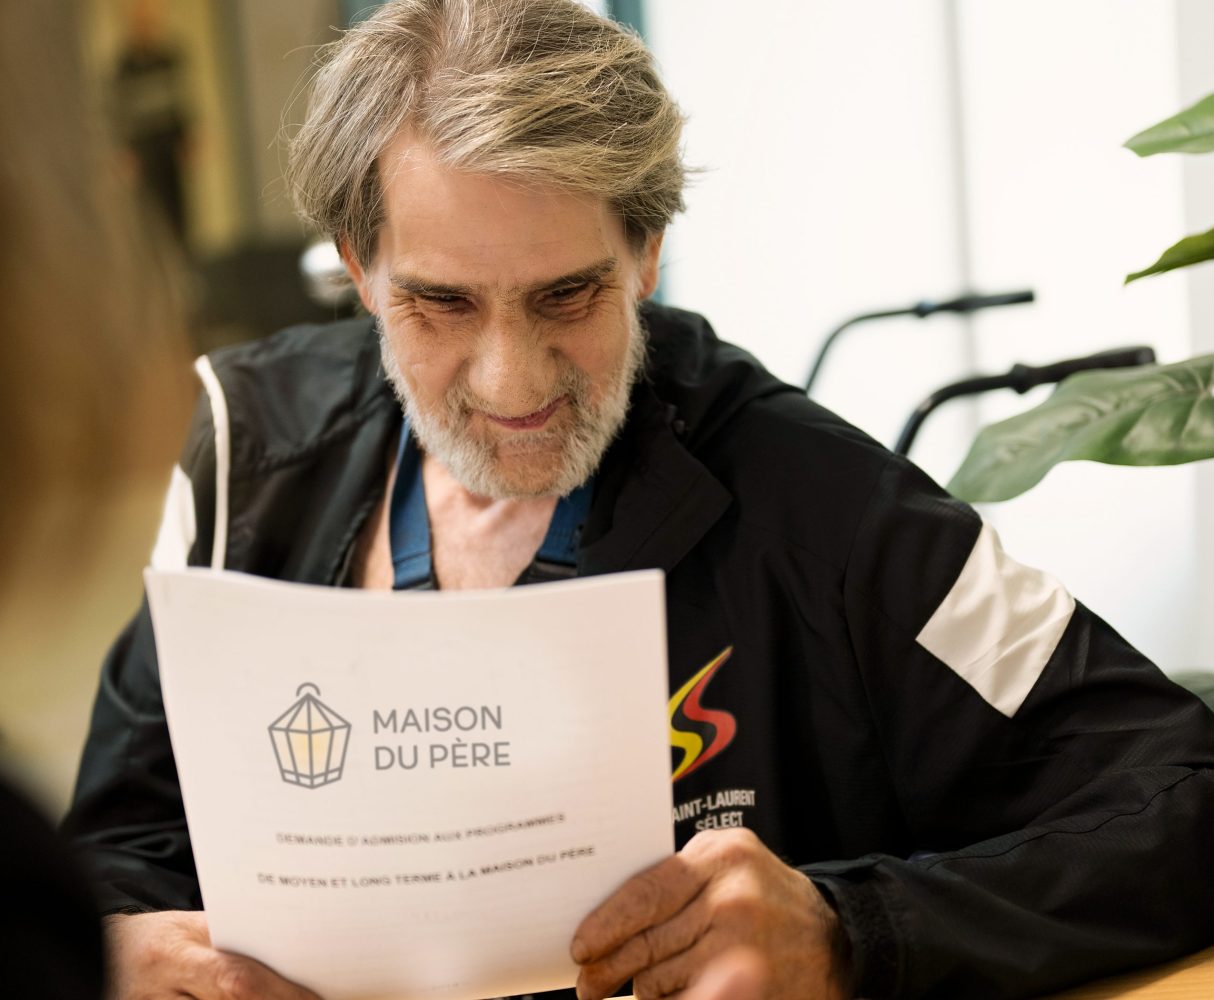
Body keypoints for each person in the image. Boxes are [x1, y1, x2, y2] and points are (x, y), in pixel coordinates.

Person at [63, 1, 1214, 998]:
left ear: (646, 249)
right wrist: (114, 944)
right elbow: (124, 841)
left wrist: (850, 931)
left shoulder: (819, 503)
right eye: (441, 304)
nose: (510, 383)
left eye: (565, 296)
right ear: (360, 270)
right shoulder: (247, 457)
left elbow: (1183, 798)